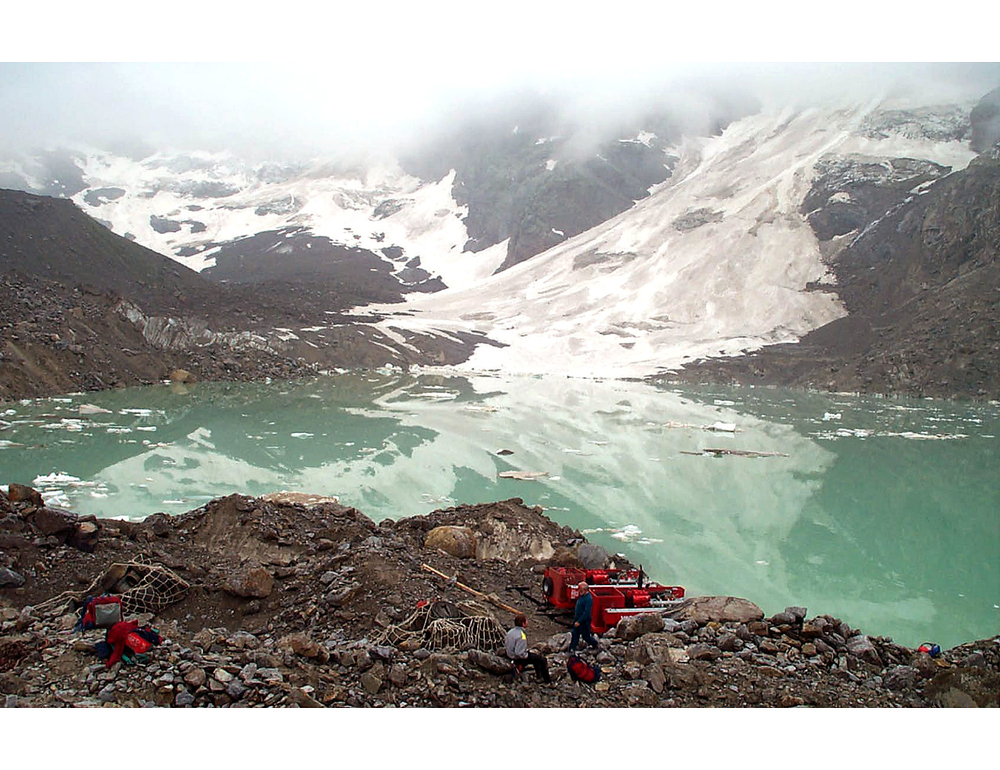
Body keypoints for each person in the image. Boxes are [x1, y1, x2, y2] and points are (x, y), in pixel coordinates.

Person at [505, 613, 551, 683]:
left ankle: (539, 676)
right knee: (542, 660)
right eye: (526, 621)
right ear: (523, 623)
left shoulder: (510, 632)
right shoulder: (522, 635)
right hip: (517, 657)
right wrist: (526, 655)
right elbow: (519, 653)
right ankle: (547, 681)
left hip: (509, 654)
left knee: (535, 658)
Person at [569, 581, 599, 652]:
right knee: (575, 634)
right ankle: (572, 649)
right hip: (577, 618)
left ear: (585, 590)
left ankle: (595, 644)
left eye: (580, 590)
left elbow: (587, 613)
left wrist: (579, 621)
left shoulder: (588, 599)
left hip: (584, 621)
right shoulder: (582, 597)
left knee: (586, 636)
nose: (579, 592)